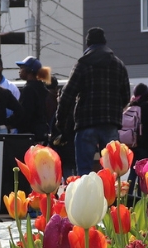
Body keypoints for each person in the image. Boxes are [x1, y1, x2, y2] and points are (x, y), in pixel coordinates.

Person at [56, 27, 132, 176]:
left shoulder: (83, 64)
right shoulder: (118, 64)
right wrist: (114, 110)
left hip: (86, 123)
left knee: (84, 172)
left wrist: (60, 123)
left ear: (88, 44)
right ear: (104, 42)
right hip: (110, 123)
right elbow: (126, 96)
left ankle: (86, 198)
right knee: (111, 172)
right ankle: (110, 198)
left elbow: (67, 95)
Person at [15, 56, 54, 143]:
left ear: (29, 70)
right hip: (41, 133)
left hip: (30, 136)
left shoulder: (29, 89)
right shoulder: (42, 88)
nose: (19, 71)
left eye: (22, 68)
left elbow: (25, 114)